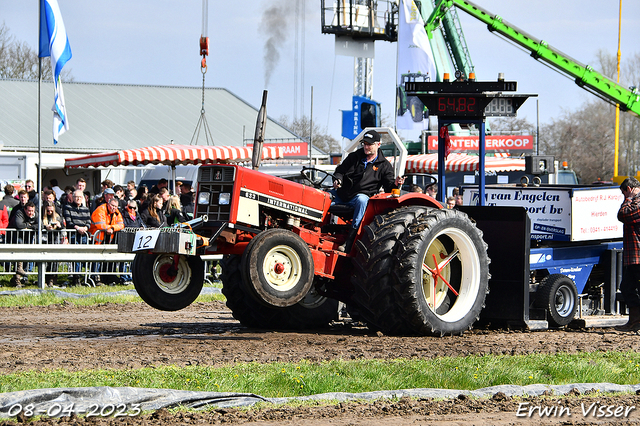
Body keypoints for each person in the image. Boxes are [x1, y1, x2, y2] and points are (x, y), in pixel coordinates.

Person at [331, 129, 404, 252]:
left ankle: (350, 242)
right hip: (342, 194)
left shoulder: (384, 166)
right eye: (364, 143)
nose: (366, 146)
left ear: (378, 145)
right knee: (323, 195)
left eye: (369, 144)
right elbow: (340, 171)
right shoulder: (354, 157)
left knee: (362, 199)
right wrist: (338, 179)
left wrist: (396, 185)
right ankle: (315, 228)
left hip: (360, 198)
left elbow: (389, 188)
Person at [615, 177, 640, 332]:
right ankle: (635, 321)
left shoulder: (637, 203)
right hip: (634, 255)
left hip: (638, 255)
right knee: (627, 287)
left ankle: (636, 322)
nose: (624, 198)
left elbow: (623, 215)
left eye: (625, 193)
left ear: (629, 189)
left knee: (634, 287)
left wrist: (628, 200)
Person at [63, 190, 92, 286]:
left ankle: (84, 276)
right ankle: (76, 276)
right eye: (76, 197)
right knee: (76, 256)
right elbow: (69, 222)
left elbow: (88, 222)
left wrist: (85, 228)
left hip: (84, 234)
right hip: (74, 234)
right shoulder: (68, 207)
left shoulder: (86, 209)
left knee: (83, 256)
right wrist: (78, 228)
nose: (78, 198)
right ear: (73, 197)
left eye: (80, 197)